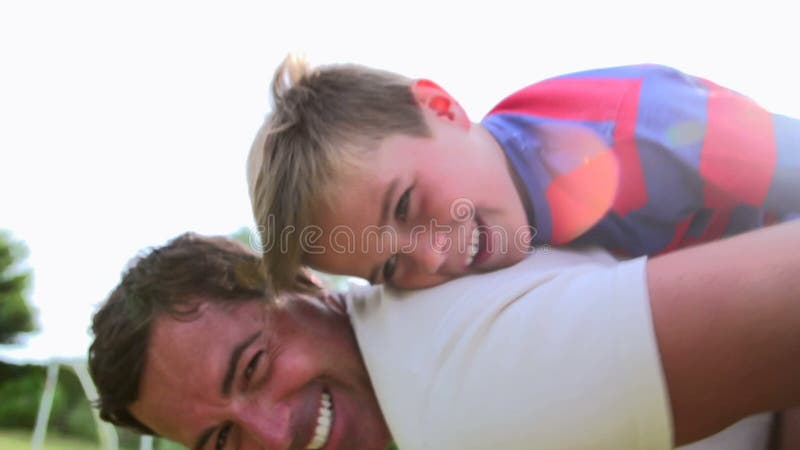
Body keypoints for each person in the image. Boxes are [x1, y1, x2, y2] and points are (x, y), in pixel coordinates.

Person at [88, 224, 800, 449]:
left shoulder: (456, 372)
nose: (273, 435)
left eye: (252, 366)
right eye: (221, 442)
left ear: (303, 285)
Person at [247, 56, 799, 292]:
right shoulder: (493, 204)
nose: (433, 258)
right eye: (390, 266)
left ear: (441, 108)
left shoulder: (645, 129)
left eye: (404, 206)